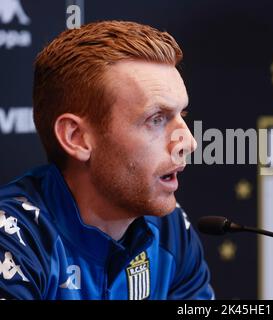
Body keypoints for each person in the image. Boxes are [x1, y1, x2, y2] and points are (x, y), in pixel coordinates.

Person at [0, 20, 214, 300]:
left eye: (181, 116)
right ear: (76, 137)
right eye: (157, 119)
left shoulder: (170, 230)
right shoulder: (15, 239)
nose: (189, 142)